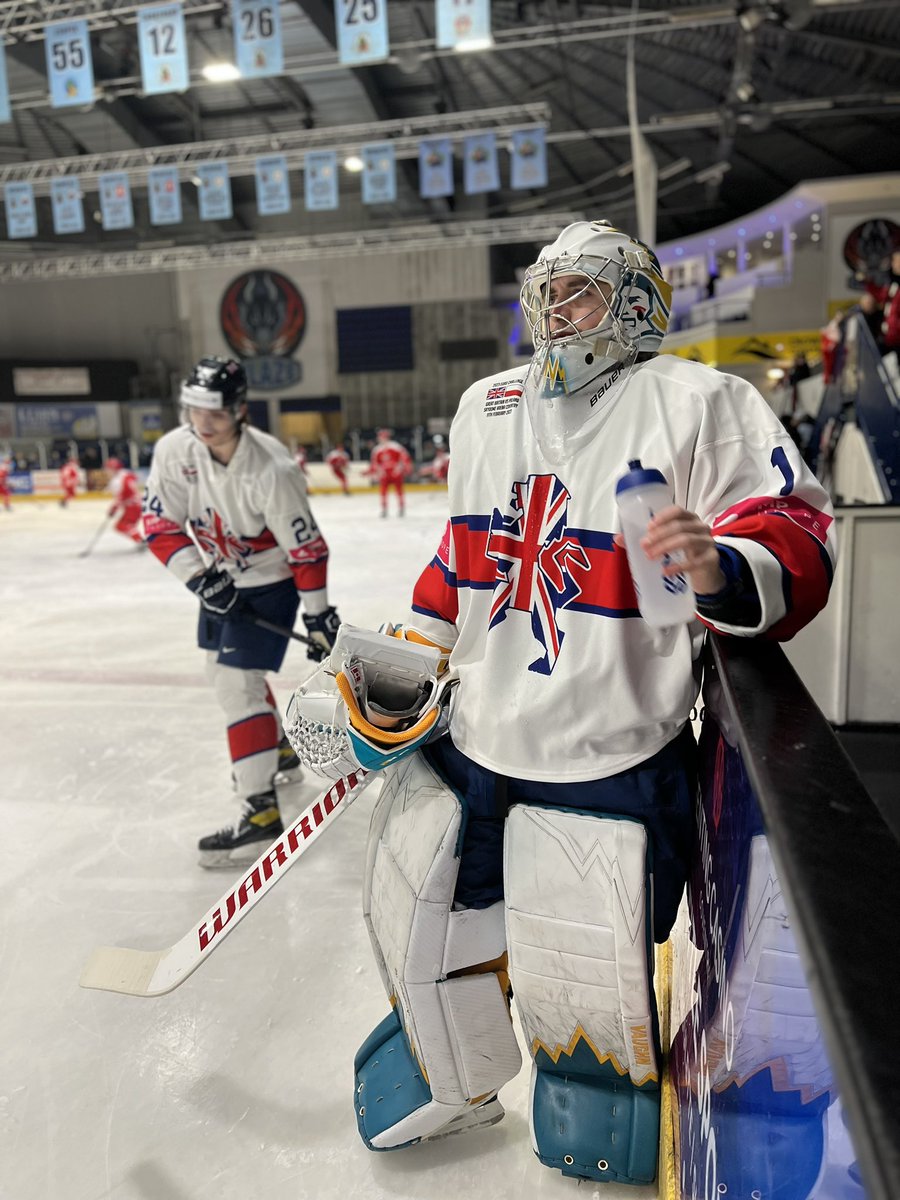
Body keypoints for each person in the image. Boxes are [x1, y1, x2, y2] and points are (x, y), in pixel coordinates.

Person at [285, 220, 837, 1184]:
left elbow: (796, 528)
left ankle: (597, 1098)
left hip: (608, 754)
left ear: (636, 302)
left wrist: (721, 563)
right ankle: (444, 1071)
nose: (553, 310)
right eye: (546, 290)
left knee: (580, 976)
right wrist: (401, 667)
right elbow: (458, 566)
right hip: (473, 735)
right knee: (417, 916)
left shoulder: (702, 401)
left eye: (578, 290)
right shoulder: (487, 404)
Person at [142, 356, 342, 867]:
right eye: (195, 409)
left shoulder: (271, 469)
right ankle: (277, 749)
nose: (203, 422)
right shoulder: (175, 450)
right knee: (222, 673)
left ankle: (259, 815)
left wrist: (317, 616)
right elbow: (159, 524)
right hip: (220, 578)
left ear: (239, 410)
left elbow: (306, 551)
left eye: (215, 412)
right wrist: (200, 578)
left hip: (270, 584)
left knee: (237, 685)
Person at [368, 427, 412, 517]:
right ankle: (384, 509)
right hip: (384, 474)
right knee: (383, 492)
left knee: (399, 491)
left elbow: (404, 458)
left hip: (395, 473)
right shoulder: (377, 450)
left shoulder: (395, 446)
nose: (380, 439)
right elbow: (375, 463)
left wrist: (402, 469)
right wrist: (376, 472)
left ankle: (401, 508)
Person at [105, 457, 143, 544]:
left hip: (132, 506)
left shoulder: (117, 481)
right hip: (137, 504)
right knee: (125, 525)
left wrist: (113, 509)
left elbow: (120, 497)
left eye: (108, 469)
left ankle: (139, 540)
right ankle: (139, 539)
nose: (107, 471)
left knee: (122, 525)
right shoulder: (126, 474)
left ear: (114, 469)